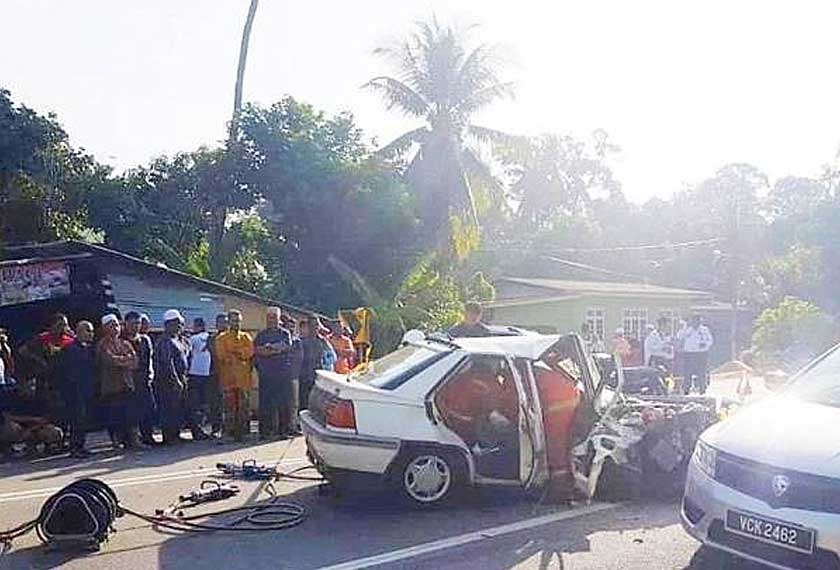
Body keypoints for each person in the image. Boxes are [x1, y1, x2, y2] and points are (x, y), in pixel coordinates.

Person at [96, 314, 141, 450]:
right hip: (111, 387)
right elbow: (110, 360)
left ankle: (133, 441)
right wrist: (124, 359)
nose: (115, 328)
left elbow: (135, 362)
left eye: (117, 324)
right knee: (115, 416)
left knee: (131, 415)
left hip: (127, 384)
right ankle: (117, 442)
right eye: (111, 325)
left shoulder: (125, 343)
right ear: (104, 328)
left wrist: (122, 360)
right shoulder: (102, 345)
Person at [18, 313, 75, 418]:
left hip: (65, 380)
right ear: (51, 326)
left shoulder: (70, 341)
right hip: (45, 382)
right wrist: (38, 360)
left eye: (65, 325)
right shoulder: (42, 339)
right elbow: (23, 351)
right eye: (59, 325)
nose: (62, 328)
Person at [58, 321, 96, 457]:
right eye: (88, 331)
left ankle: (81, 445)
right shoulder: (70, 349)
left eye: (91, 331)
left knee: (84, 419)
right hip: (74, 391)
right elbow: (66, 372)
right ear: (79, 332)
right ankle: (74, 447)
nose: (91, 334)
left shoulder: (89, 349)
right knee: (77, 419)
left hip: (86, 389)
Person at [215, 310, 254, 442]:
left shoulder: (246, 337)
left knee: (243, 408)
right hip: (228, 379)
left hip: (243, 380)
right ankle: (228, 434)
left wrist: (236, 352)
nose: (236, 323)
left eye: (238, 321)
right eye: (233, 320)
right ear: (228, 322)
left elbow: (249, 352)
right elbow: (222, 355)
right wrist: (239, 354)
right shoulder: (221, 338)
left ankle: (242, 434)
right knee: (229, 408)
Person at [254, 308, 292, 439]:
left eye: (274, 317)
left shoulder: (285, 334)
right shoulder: (261, 335)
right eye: (269, 317)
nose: (272, 320)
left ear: (278, 319)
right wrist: (275, 348)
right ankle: (265, 432)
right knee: (265, 404)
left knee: (283, 404)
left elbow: (285, 347)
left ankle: (283, 431)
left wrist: (269, 348)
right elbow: (258, 350)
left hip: (282, 374)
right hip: (266, 374)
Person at [154, 310, 190, 445]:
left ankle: (176, 434)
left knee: (177, 409)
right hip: (168, 381)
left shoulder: (177, 339)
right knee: (168, 409)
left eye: (180, 324)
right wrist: (175, 380)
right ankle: (168, 437)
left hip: (180, 378)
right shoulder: (165, 341)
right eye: (177, 323)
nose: (180, 326)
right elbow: (167, 362)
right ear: (168, 324)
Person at [123, 312, 157, 445]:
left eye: (137, 323)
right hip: (129, 381)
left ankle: (148, 437)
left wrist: (150, 374)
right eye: (132, 324)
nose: (135, 326)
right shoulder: (122, 340)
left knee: (149, 409)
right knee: (132, 412)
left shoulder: (145, 340)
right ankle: (133, 440)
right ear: (125, 324)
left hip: (144, 379)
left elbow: (149, 359)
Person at [186, 317, 212, 440]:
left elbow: (187, 353)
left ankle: (197, 430)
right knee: (204, 404)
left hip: (194, 374)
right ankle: (201, 429)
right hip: (207, 374)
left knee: (195, 404)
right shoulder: (210, 338)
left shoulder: (193, 339)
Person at [677, 315, 714, 394]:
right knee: (687, 373)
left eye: (697, 321)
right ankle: (686, 390)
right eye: (693, 321)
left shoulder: (705, 330)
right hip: (689, 353)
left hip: (701, 353)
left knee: (702, 372)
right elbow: (679, 339)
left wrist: (705, 344)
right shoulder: (686, 330)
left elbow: (710, 340)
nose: (695, 323)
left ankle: (702, 389)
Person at [299, 317, 329, 410]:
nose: (314, 328)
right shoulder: (301, 341)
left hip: (318, 377)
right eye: (312, 325)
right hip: (304, 376)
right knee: (303, 402)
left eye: (316, 325)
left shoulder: (323, 342)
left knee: (317, 404)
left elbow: (331, 357)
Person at [207, 313, 228, 437]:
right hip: (215, 373)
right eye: (220, 322)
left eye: (225, 322)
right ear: (216, 324)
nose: (223, 324)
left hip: (231, 374)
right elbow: (216, 353)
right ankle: (216, 428)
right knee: (216, 403)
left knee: (229, 403)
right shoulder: (212, 338)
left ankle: (229, 428)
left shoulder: (233, 337)